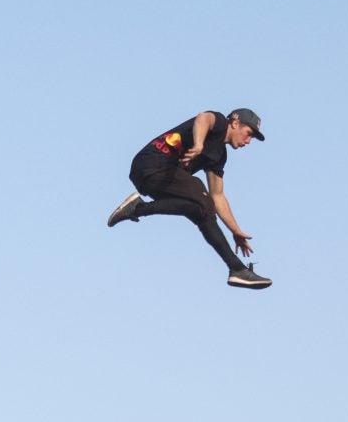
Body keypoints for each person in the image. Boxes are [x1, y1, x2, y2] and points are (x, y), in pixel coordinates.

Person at [107, 108, 273, 289]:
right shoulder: (217, 122)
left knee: (200, 211)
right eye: (248, 134)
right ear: (235, 123)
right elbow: (203, 118)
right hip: (152, 164)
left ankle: (237, 269)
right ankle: (138, 208)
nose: (248, 141)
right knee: (201, 197)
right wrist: (199, 144)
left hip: (158, 179)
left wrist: (235, 230)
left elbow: (217, 195)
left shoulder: (218, 156)